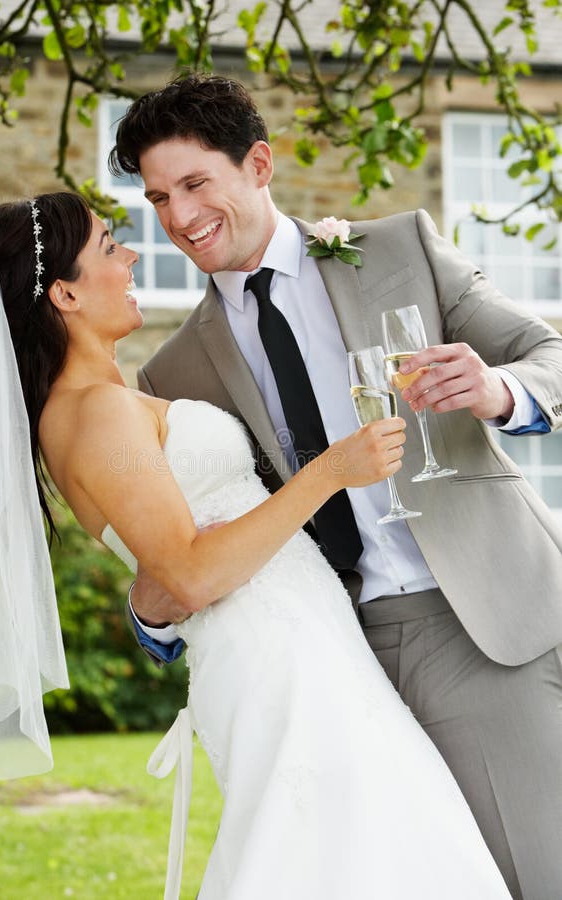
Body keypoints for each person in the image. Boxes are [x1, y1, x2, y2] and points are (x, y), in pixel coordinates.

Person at [0, 192, 512, 899]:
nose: (132, 256)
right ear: (65, 293)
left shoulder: (109, 402)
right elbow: (188, 576)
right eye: (110, 247)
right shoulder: (93, 414)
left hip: (308, 645)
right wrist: (331, 472)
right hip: (272, 661)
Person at [110, 74, 562, 900]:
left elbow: (548, 354)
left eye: (196, 184)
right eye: (159, 197)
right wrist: (152, 611)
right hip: (333, 661)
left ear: (259, 164)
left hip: (483, 621)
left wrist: (498, 389)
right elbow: (190, 551)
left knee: (527, 876)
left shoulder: (400, 250)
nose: (178, 217)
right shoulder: (173, 373)